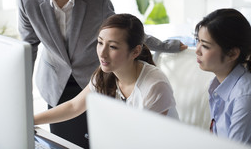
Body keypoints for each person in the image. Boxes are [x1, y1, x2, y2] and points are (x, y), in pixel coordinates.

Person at [18, 0, 186, 148]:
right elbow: (28, 49)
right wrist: (22, 102)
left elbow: (121, 30)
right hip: (56, 83)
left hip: (92, 75)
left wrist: (163, 45)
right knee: (63, 143)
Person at [34, 13, 179, 126]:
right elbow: (73, 106)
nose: (102, 53)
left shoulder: (155, 85)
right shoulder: (104, 75)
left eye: (113, 47)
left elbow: (150, 140)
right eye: (100, 42)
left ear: (135, 52)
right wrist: (31, 121)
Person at [194, 8, 251, 148]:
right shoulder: (217, 86)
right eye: (198, 41)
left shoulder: (247, 99)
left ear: (232, 54)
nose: (197, 50)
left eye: (205, 46)